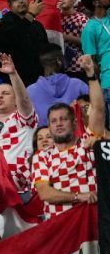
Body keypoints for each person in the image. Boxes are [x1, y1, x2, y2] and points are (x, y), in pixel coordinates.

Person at [31, 55, 106, 220]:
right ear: (49, 127)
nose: (58, 124)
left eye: (63, 119)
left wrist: (91, 75)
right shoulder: (42, 156)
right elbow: (44, 193)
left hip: (92, 222)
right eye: (53, 121)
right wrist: (79, 197)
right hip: (61, 229)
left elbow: (98, 110)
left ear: (73, 123)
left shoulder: (87, 144)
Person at [0, 0, 49, 86]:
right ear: (9, 5)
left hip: (38, 81)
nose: (21, 1)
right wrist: (30, 14)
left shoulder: (37, 26)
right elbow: (15, 37)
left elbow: (45, 50)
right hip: (14, 82)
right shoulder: (3, 23)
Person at [27, 43, 88, 125]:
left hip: (42, 137)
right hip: (76, 136)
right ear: (59, 61)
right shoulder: (78, 84)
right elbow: (94, 109)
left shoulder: (29, 91)